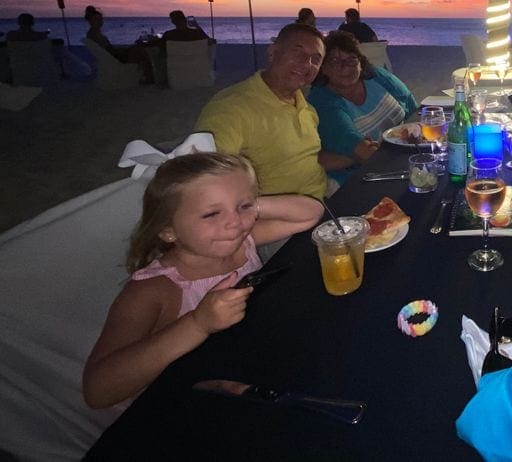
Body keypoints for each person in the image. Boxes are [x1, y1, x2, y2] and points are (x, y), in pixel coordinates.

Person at [82, 152, 322, 409]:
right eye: (211, 214)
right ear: (168, 230)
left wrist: (247, 204)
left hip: (247, 365)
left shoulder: (241, 242)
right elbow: (97, 392)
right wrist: (198, 324)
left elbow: (310, 213)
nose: (233, 223)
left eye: (243, 207)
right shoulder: (153, 290)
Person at [194, 23, 331, 201]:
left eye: (316, 59)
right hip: (280, 220)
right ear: (273, 52)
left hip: (325, 198)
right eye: (298, 52)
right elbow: (202, 182)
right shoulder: (232, 107)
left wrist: (355, 156)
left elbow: (309, 159)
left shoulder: (306, 107)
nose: (307, 63)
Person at [308, 31, 418, 185]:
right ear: (323, 68)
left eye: (351, 59)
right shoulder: (323, 100)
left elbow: (411, 104)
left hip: (405, 156)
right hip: (363, 177)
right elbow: (356, 146)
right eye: (334, 61)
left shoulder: (376, 76)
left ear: (360, 62)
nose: (344, 67)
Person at [84, 5, 155, 83]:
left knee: (139, 49)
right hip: (115, 58)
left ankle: (146, 76)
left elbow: (107, 49)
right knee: (141, 51)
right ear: (90, 21)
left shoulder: (93, 33)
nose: (100, 22)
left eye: (101, 19)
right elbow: (109, 50)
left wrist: (126, 48)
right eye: (97, 19)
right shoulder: (94, 34)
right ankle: (149, 78)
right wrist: (125, 50)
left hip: (113, 56)